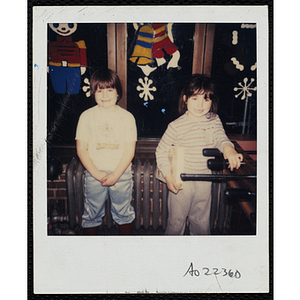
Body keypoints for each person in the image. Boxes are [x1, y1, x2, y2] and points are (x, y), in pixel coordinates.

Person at [156, 74, 243, 235]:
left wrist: (228, 149)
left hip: (204, 179)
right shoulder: (175, 126)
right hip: (181, 182)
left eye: (206, 99)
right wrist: (168, 176)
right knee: (176, 223)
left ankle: (201, 256)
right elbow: (160, 151)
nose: (201, 104)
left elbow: (220, 137)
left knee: (202, 223)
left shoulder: (214, 120)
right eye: (195, 98)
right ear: (185, 99)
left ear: (212, 101)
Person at [75, 69, 137, 235]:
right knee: (91, 213)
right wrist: (96, 173)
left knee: (124, 212)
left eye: (110, 90)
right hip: (94, 173)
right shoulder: (86, 117)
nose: (105, 95)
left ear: (118, 92)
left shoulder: (127, 117)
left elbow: (129, 151)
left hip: (121, 173)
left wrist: (116, 175)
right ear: (93, 92)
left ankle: (125, 250)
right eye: (100, 90)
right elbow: (81, 149)